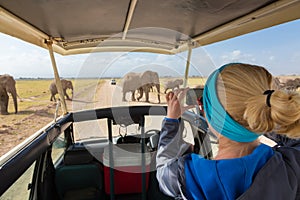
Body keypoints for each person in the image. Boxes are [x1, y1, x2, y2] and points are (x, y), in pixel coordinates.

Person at [156, 63, 300, 200]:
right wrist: (265, 116)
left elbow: (163, 165)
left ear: (213, 117)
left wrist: (171, 120)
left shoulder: (184, 176)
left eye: (203, 104)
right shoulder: (291, 167)